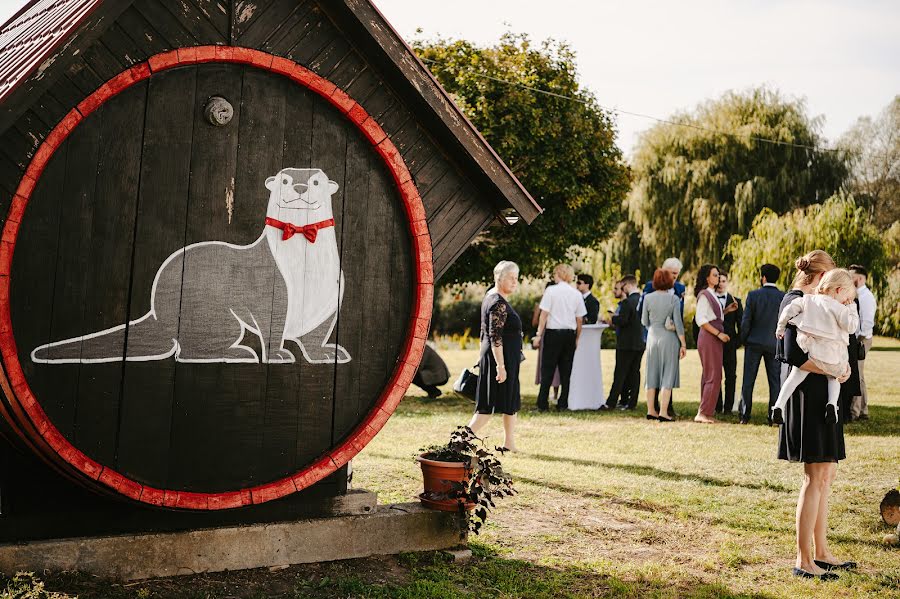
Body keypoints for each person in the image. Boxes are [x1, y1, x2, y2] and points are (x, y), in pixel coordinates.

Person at [777, 250, 857, 580]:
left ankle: (822, 552)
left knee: (826, 476)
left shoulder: (827, 305)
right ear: (820, 276)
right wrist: (835, 367)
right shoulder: (796, 300)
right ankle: (803, 559)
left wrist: (842, 368)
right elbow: (791, 354)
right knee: (813, 479)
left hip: (825, 396)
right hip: (806, 397)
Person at [772, 269, 859, 425]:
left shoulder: (808, 299)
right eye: (846, 298)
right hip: (830, 354)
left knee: (794, 377)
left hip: (808, 347)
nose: (845, 302)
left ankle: (779, 405)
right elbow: (851, 327)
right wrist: (851, 309)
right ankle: (832, 405)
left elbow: (789, 310)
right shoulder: (839, 308)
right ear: (839, 290)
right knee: (834, 377)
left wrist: (781, 327)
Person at [469, 261, 523, 451]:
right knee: (486, 407)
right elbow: (494, 337)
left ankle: (509, 444)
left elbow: (484, 332)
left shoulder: (494, 297)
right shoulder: (497, 302)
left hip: (504, 359)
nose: (515, 282)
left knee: (510, 402)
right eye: (511, 278)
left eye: (517, 278)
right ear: (499, 278)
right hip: (499, 360)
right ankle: (459, 442)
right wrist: (501, 366)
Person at [534, 264, 586, 411]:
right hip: (569, 334)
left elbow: (544, 314)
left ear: (559, 274)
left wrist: (539, 334)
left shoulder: (551, 291)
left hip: (553, 333)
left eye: (555, 273)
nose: (554, 276)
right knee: (566, 370)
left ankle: (542, 404)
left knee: (548, 369)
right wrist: (577, 338)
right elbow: (579, 319)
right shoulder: (576, 294)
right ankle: (563, 403)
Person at [738, 264, 785, 425]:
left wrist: (744, 339)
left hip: (754, 343)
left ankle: (744, 415)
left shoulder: (753, 295)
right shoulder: (782, 297)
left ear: (763, 277)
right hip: (774, 344)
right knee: (774, 381)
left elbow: (746, 322)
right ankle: (773, 415)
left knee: (748, 380)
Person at [640, 257, 686, 417]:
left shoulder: (648, 297)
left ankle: (651, 410)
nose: (675, 277)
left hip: (653, 336)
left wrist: (653, 327)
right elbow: (679, 322)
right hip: (669, 337)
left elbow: (644, 320)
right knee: (668, 373)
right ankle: (663, 412)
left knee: (651, 373)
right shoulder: (673, 298)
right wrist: (683, 343)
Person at [602, 275, 644, 410]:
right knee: (635, 373)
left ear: (627, 285)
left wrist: (612, 318)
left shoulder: (627, 302)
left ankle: (611, 402)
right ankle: (632, 403)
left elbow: (623, 320)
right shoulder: (642, 300)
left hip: (626, 343)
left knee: (620, 373)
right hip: (640, 342)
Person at [693, 264, 727, 424]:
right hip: (709, 338)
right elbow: (701, 320)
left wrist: (726, 311)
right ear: (707, 277)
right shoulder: (704, 295)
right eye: (715, 275)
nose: (718, 277)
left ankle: (706, 411)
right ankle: (703, 413)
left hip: (712, 338)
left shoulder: (711, 294)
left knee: (711, 374)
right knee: (713, 375)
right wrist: (719, 334)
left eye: (718, 275)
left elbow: (711, 315)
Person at [848, 264, 876, 421]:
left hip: (862, 339)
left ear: (859, 278)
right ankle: (863, 410)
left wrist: (859, 340)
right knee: (860, 374)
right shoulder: (859, 295)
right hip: (861, 338)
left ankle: (855, 411)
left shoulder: (866, 298)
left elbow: (867, 323)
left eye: (851, 277)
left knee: (857, 373)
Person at [715, 272, 742, 415]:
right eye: (718, 280)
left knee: (731, 376)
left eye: (723, 281)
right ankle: (717, 406)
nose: (720, 283)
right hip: (714, 344)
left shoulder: (736, 301)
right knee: (716, 375)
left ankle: (729, 407)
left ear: (727, 282)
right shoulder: (709, 299)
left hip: (730, 345)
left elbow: (741, 324)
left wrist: (737, 342)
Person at [532, 281, 561, 402]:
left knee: (552, 363)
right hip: (546, 335)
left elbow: (536, 322)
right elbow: (534, 322)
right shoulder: (542, 305)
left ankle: (554, 393)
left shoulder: (553, 304)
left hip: (549, 334)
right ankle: (550, 393)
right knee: (548, 363)